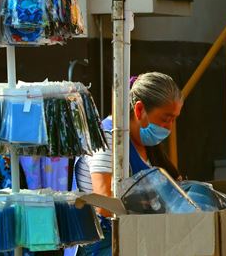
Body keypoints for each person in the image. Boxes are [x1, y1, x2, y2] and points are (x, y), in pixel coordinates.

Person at [75, 72, 183, 256]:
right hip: (103, 244)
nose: (169, 127)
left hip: (138, 239)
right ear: (139, 110)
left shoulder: (148, 145)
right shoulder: (107, 138)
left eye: (173, 119)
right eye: (165, 119)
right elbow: (104, 203)